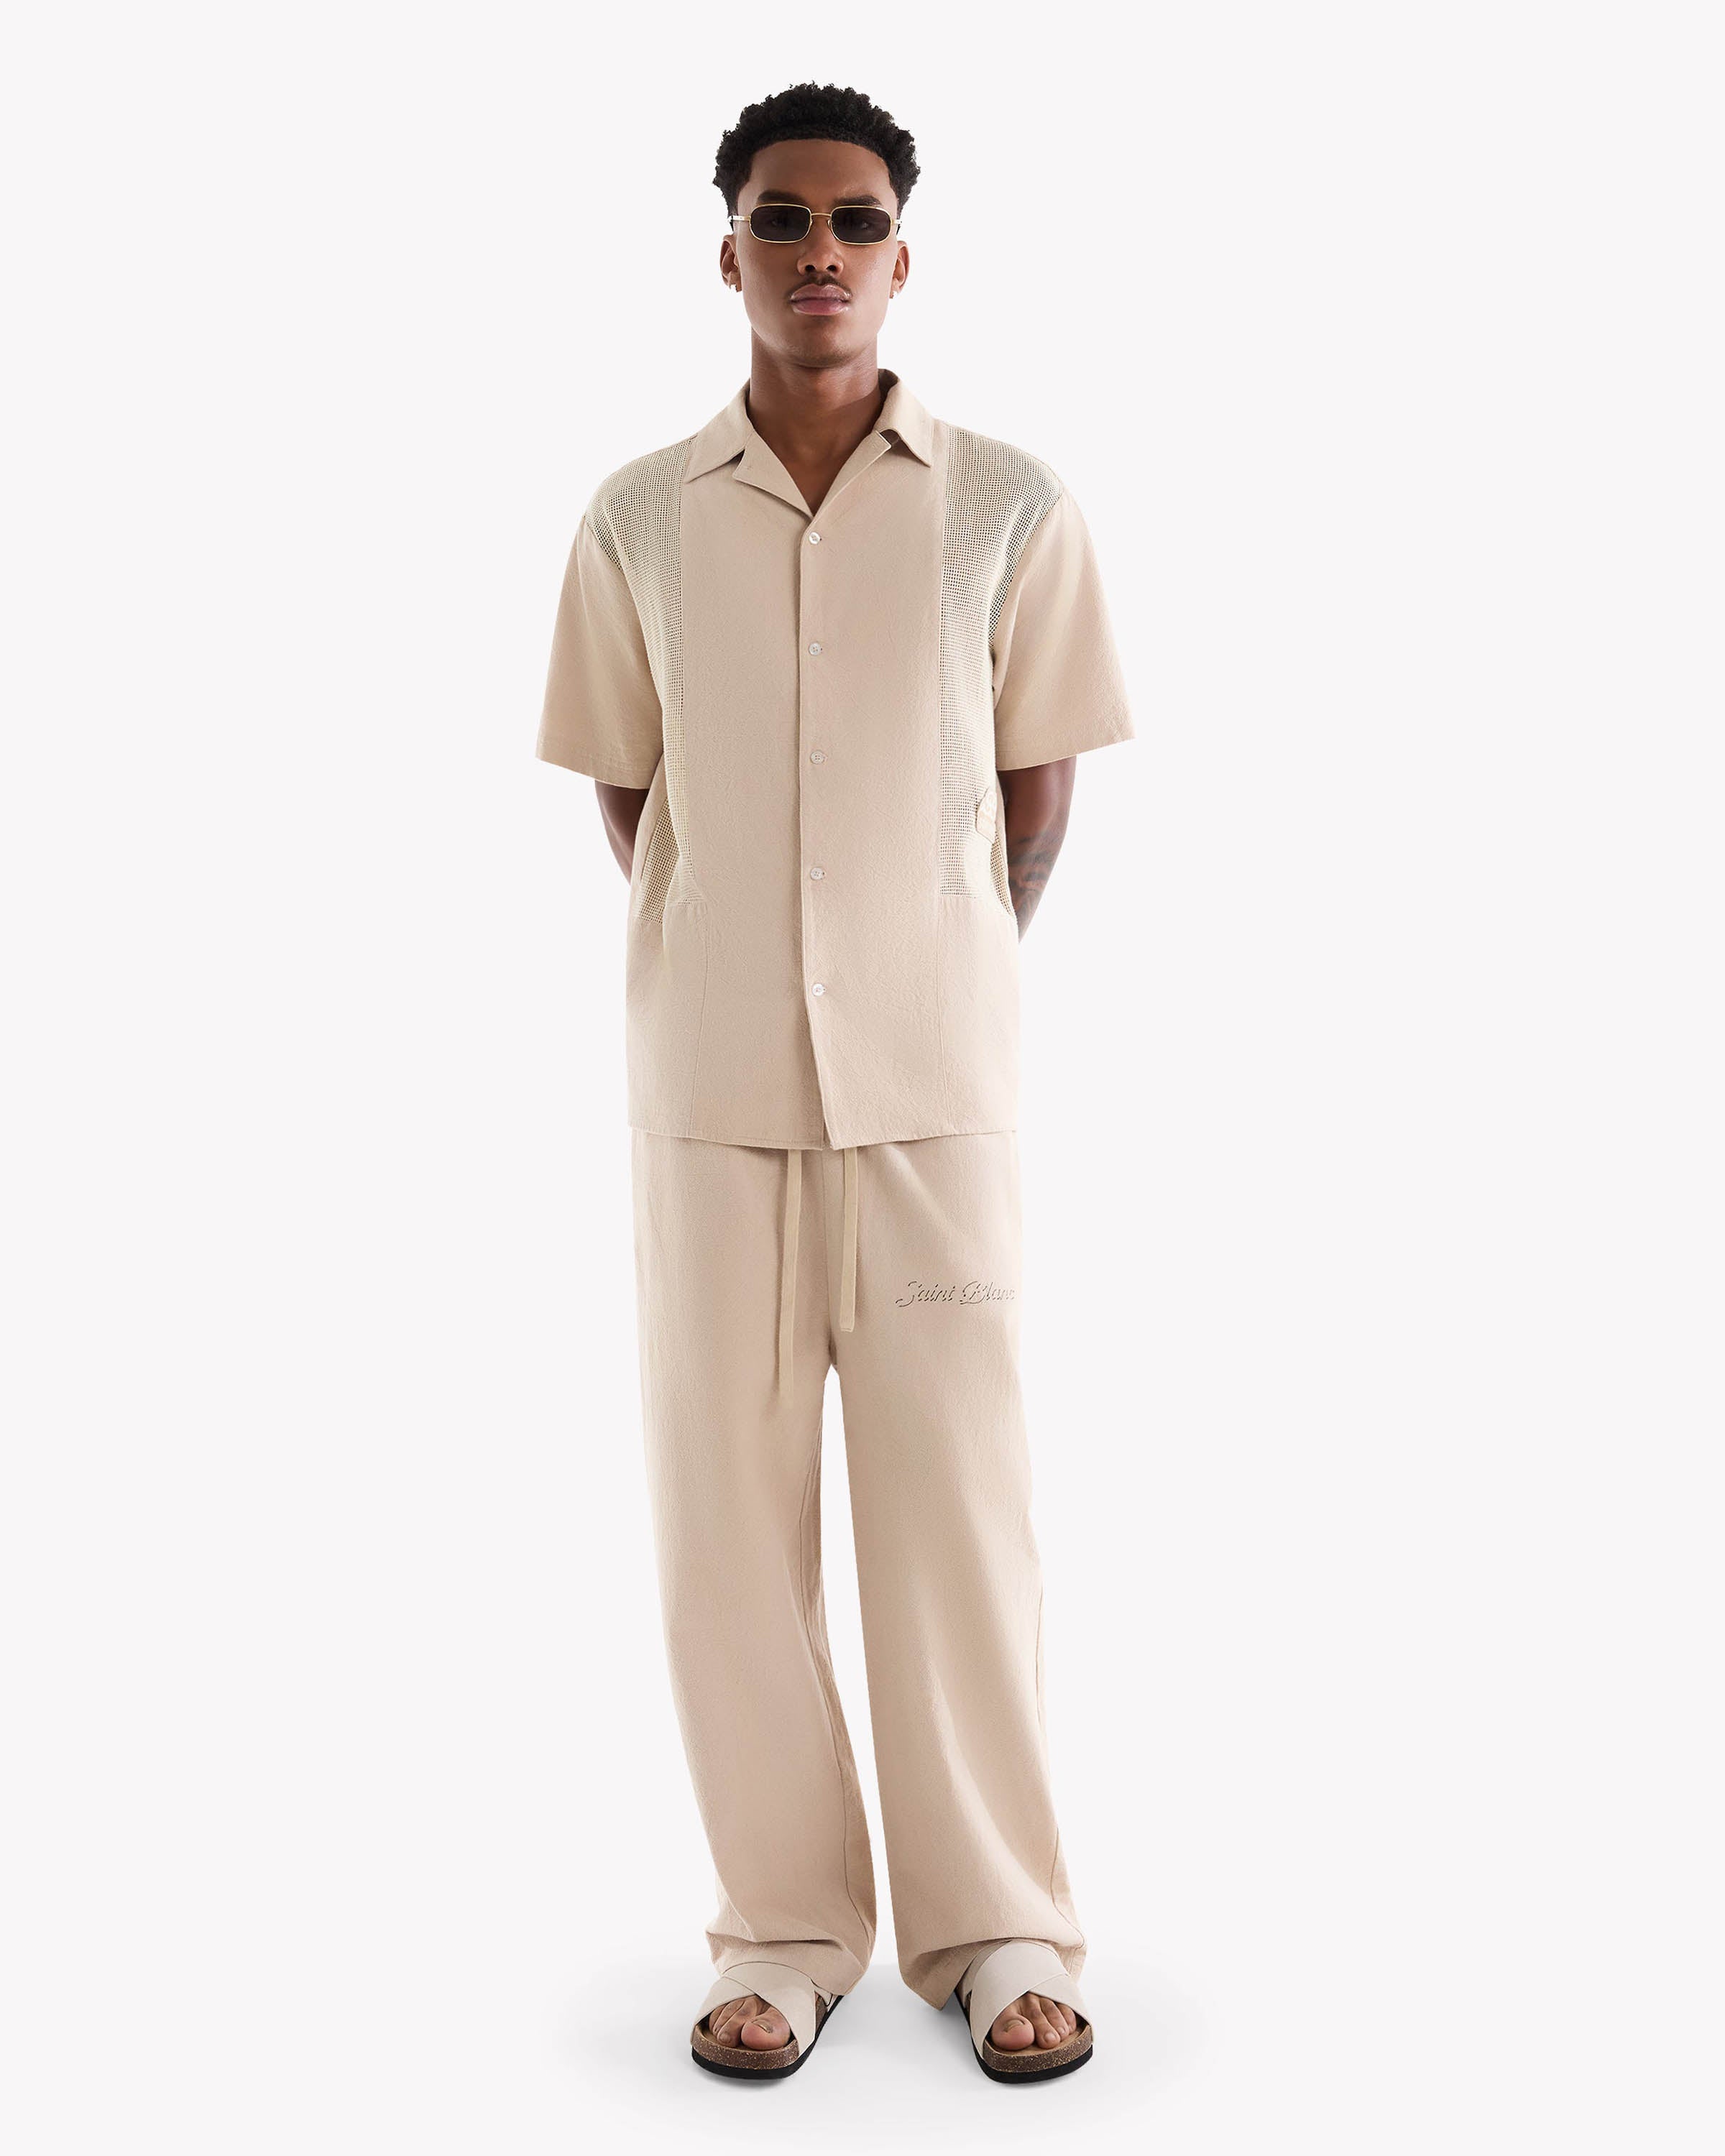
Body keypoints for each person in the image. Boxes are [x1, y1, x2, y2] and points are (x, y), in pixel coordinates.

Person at [535, 81, 1133, 2084]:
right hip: (709, 1099)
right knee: (725, 1521)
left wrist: (919, 966)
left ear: (901, 255)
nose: (819, 253)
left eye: (854, 221)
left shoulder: (1009, 506)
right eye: (782, 220)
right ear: (728, 253)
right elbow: (635, 795)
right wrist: (744, 972)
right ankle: (783, 1931)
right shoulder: (637, 517)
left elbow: (1035, 794)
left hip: (936, 1091)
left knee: (959, 1512)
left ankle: (1001, 1926)